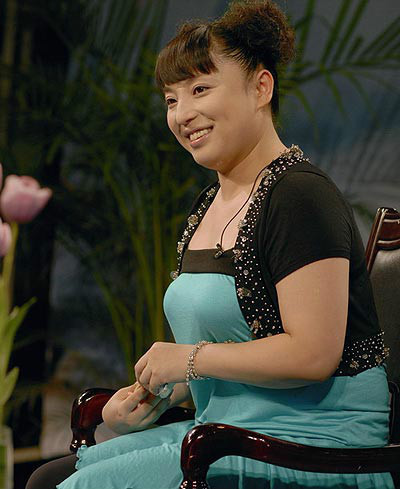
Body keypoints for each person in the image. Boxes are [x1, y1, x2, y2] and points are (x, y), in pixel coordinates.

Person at [26, 1, 394, 488]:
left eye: (200, 89)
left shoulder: (300, 195)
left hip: (311, 443)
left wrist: (187, 359)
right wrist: (158, 393)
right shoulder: (208, 205)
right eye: (171, 99)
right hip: (226, 430)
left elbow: (312, 354)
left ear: (261, 88)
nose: (183, 114)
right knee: (48, 478)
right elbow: (232, 355)